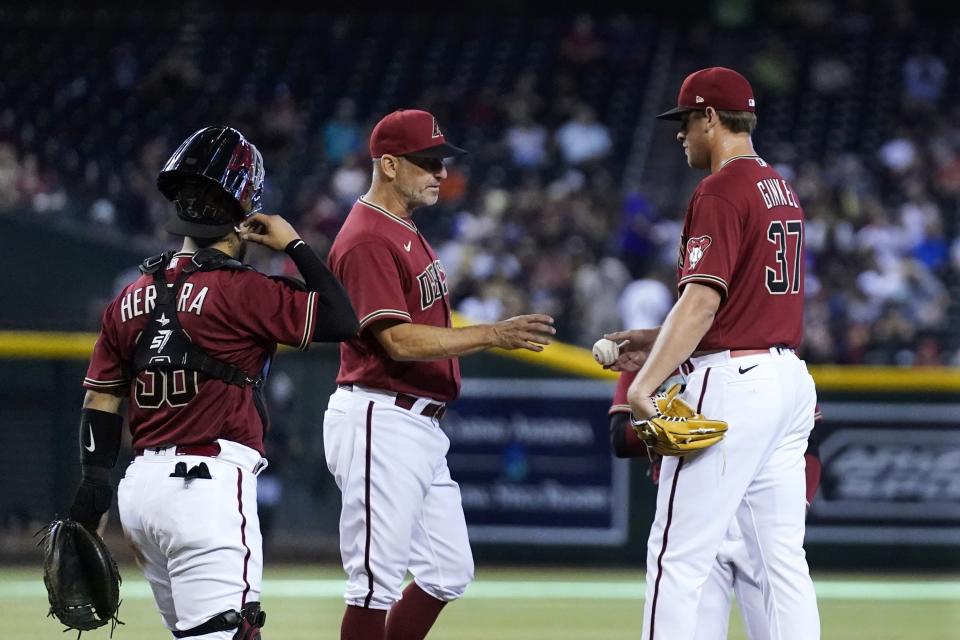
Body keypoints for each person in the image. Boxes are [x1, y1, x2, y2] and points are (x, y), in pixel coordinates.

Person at [71, 125, 358, 639]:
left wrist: (93, 494)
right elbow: (343, 319)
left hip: (139, 493)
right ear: (244, 207)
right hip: (206, 485)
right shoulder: (244, 291)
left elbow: (101, 397)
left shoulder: (129, 295)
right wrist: (294, 243)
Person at [323, 109, 555, 640]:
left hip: (416, 424)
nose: (440, 173)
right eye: (427, 162)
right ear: (386, 164)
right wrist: (493, 334)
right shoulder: (366, 238)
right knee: (373, 585)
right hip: (379, 416)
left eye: (441, 161)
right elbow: (398, 341)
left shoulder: (401, 229)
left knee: (448, 571)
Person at [605, 67, 820, 639]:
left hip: (734, 383)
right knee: (777, 565)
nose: (680, 135)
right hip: (786, 381)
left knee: (677, 557)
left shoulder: (721, 189)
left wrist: (646, 384)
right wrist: (657, 341)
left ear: (709, 118)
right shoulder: (780, 185)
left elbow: (702, 303)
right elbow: (738, 306)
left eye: (684, 122)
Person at [608, 370, 823, 640]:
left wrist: (799, 505)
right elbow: (620, 439)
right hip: (695, 513)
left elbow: (809, 442)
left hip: (754, 511)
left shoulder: (752, 360)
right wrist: (664, 417)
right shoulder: (650, 355)